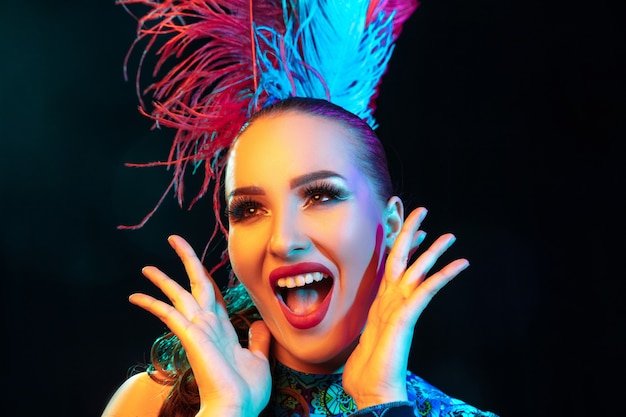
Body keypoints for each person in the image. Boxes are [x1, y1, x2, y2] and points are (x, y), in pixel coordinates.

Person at [103, 2, 499, 416]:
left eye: (321, 196)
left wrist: (381, 401)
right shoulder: (147, 404)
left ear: (391, 223)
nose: (284, 240)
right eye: (250, 209)